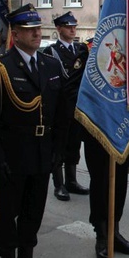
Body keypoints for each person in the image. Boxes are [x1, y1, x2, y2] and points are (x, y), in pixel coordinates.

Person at [0, 3, 68, 258]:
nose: (37, 34)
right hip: (12, 155)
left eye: (38, 29)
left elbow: (61, 113)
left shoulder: (51, 65)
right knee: (8, 215)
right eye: (30, 30)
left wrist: (59, 151)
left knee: (33, 212)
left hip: (42, 153)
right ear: (15, 34)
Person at [63, 45, 129, 258]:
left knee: (120, 182)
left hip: (123, 130)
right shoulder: (89, 51)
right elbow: (71, 92)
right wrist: (95, 115)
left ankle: (115, 232)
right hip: (97, 132)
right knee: (101, 183)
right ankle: (102, 234)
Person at [43, 11, 89, 200]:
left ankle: (72, 180)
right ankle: (59, 184)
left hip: (77, 106)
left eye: (74, 26)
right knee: (59, 146)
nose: (72, 29)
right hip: (59, 106)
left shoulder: (80, 49)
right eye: (68, 26)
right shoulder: (51, 52)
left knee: (74, 145)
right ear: (59, 29)